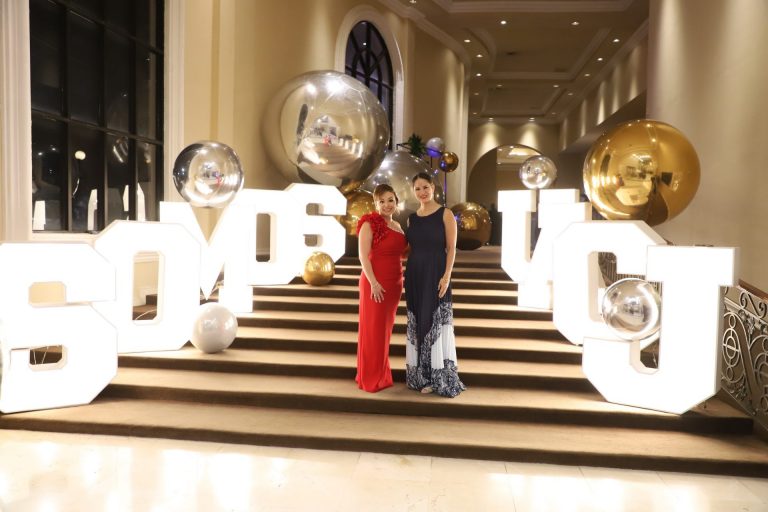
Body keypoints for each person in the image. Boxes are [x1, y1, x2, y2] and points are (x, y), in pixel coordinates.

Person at [405, 172, 466, 397]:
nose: (422, 192)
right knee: (419, 322)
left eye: (425, 187)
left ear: (433, 188)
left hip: (436, 273)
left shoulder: (445, 214)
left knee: (433, 322)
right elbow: (408, 249)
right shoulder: (411, 218)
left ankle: (437, 376)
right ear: (413, 191)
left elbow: (451, 248)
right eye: (417, 188)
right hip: (415, 274)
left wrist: (446, 275)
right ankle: (421, 375)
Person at [355, 184, 407, 392]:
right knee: (374, 331)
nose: (387, 205)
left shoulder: (398, 225)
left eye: (390, 200)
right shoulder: (369, 224)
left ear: (396, 201)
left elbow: (402, 253)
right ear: (375, 203)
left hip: (395, 283)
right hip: (375, 283)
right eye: (382, 201)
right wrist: (374, 283)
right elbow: (363, 257)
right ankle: (371, 377)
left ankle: (381, 373)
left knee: (384, 331)